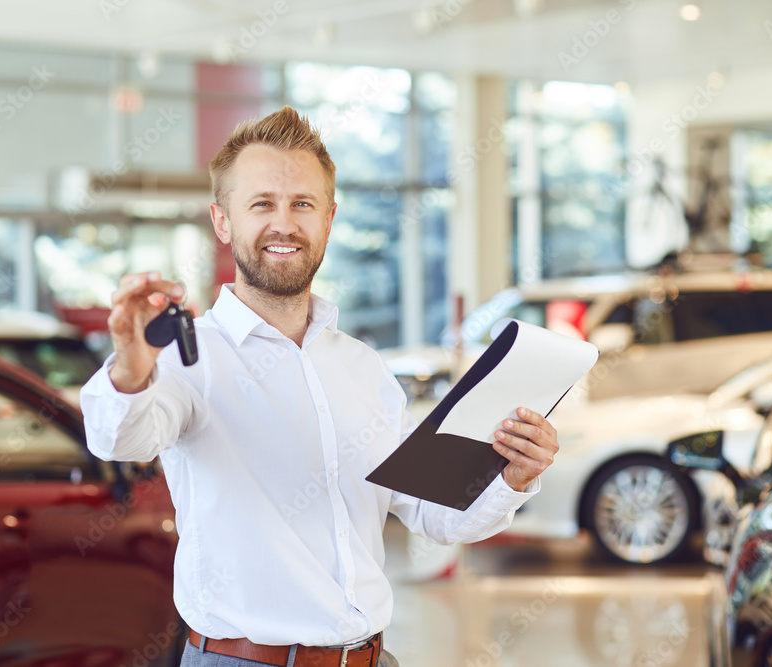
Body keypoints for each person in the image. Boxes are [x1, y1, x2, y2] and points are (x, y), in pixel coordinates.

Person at [80, 106, 560, 667]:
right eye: (262, 203)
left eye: (302, 204)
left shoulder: (363, 368)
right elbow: (119, 441)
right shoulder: (190, 360)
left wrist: (514, 474)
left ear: (328, 219)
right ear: (222, 221)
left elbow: (436, 514)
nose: (284, 223)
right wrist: (132, 368)